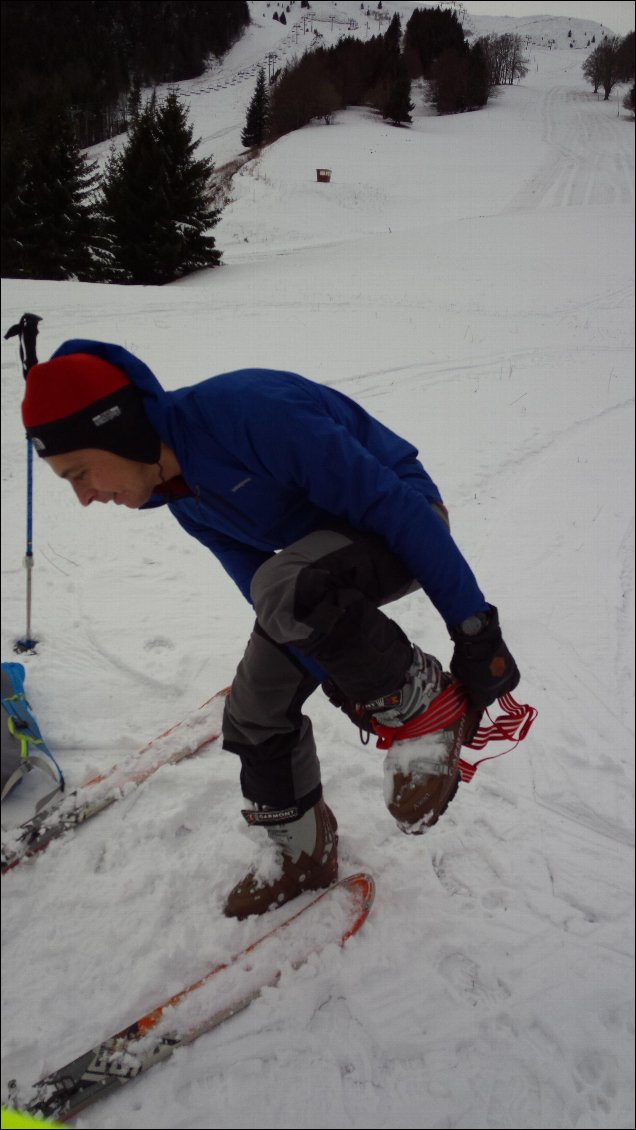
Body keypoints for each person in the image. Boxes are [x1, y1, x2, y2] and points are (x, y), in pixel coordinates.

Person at [21, 340, 520, 918]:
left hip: (405, 522)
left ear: (120, 429)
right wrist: (332, 670)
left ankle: (424, 708)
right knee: (254, 709)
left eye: (79, 473)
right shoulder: (185, 501)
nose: (83, 497)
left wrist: (476, 631)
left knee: (289, 583)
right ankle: (303, 852)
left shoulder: (246, 412)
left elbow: (396, 509)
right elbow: (267, 601)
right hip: (315, 574)